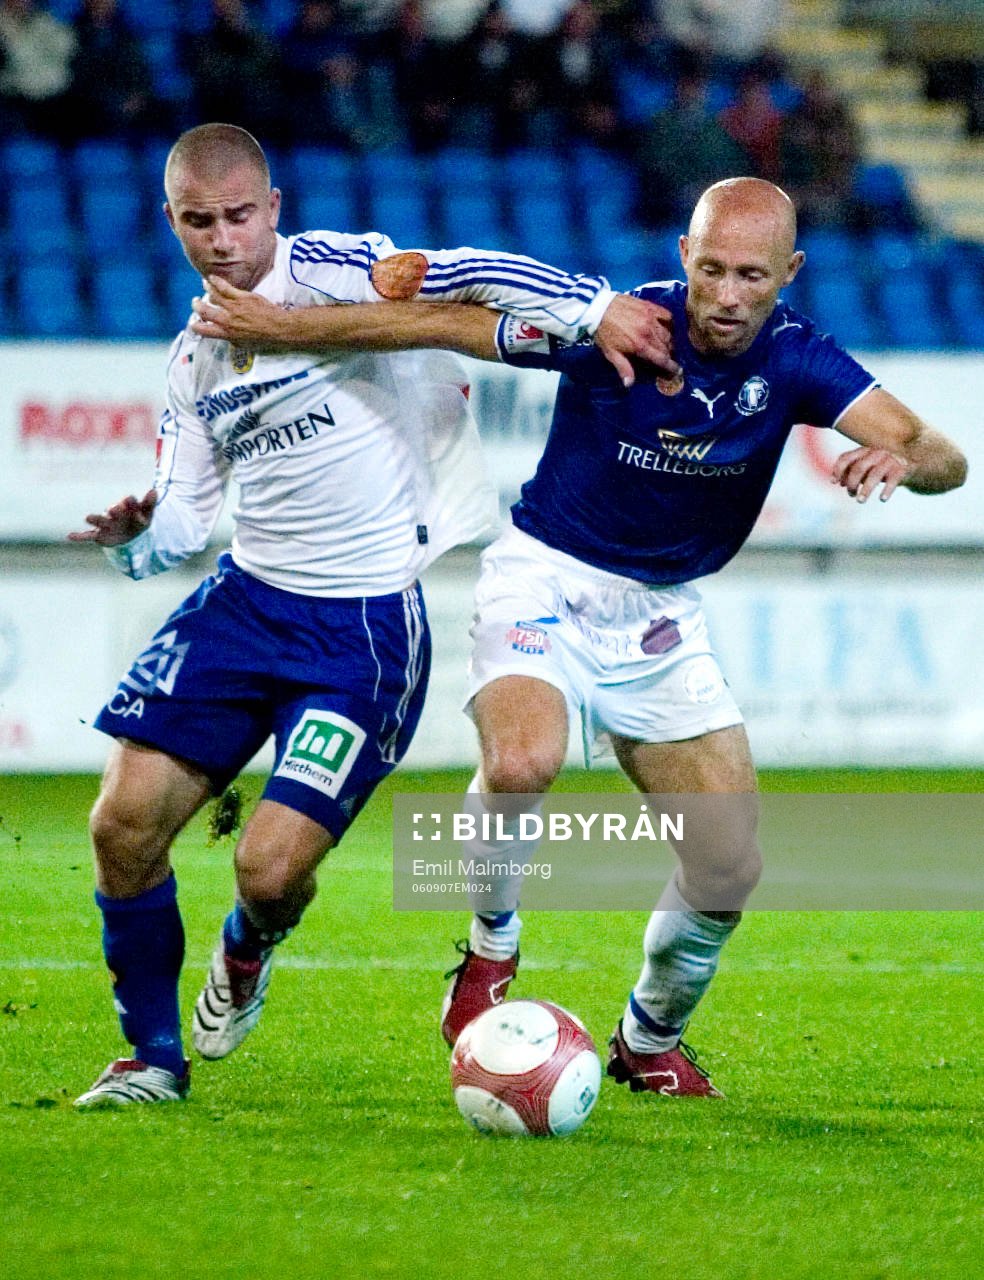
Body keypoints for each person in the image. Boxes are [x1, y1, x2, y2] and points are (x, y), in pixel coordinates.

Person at [68, 122, 677, 1108]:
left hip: (358, 633)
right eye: (198, 222)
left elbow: (473, 271)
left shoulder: (345, 270)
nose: (222, 239)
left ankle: (247, 948)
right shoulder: (194, 360)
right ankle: (149, 1057)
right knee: (121, 823)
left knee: (268, 873)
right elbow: (179, 518)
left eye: (238, 216)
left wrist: (594, 304)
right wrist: (134, 537)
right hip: (243, 605)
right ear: (172, 223)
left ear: (272, 208)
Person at [434, 177, 967, 1096]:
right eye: (710, 268)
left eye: (750, 276)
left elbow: (944, 457)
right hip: (545, 577)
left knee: (726, 865)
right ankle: (489, 949)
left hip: (660, 615)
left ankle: (647, 1041)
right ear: (683, 256)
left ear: (788, 273)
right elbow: (463, 320)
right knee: (523, 764)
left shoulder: (802, 360)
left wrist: (907, 461)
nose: (725, 295)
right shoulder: (621, 324)